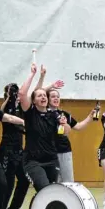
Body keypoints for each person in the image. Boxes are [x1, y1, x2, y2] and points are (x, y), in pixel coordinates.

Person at [35, 66, 94, 182]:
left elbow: (78, 127)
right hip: (48, 151)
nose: (56, 98)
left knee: (68, 181)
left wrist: (90, 117)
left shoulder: (64, 114)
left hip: (64, 150)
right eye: (53, 97)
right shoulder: (43, 113)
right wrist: (45, 80)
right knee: (53, 181)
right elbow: (37, 92)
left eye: (58, 97)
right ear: (47, 99)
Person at [18, 63, 68, 192]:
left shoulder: (54, 115)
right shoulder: (30, 113)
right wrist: (33, 74)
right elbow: (23, 93)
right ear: (33, 101)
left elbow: (65, 132)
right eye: (39, 96)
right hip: (33, 161)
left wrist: (64, 124)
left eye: (44, 95)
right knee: (44, 190)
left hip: (51, 160)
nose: (43, 97)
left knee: (50, 192)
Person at [0, 83, 30, 209]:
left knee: (24, 180)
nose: (14, 94)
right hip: (7, 150)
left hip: (19, 150)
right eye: (11, 92)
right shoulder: (5, 107)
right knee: (8, 183)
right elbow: (2, 112)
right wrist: (8, 98)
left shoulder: (21, 108)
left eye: (16, 92)